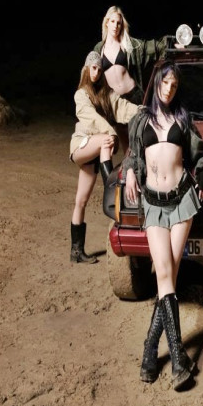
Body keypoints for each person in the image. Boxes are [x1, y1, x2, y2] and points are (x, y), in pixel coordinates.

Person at [123, 61, 203, 391]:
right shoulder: (141, 119)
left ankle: (154, 356)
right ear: (157, 84)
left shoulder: (183, 118)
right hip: (152, 203)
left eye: (174, 85)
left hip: (181, 201)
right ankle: (171, 356)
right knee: (165, 274)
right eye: (165, 83)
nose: (169, 89)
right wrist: (131, 171)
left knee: (169, 274)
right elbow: (132, 155)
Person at [69, 51, 139, 264]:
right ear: (86, 68)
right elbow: (91, 119)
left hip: (96, 152)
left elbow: (122, 107)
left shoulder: (106, 94)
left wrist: (143, 111)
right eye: (93, 68)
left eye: (99, 69)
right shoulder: (80, 95)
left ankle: (76, 252)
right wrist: (111, 133)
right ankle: (111, 185)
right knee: (106, 140)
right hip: (82, 146)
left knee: (81, 201)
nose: (96, 72)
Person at [93, 6, 166, 105]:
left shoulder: (129, 44)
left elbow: (155, 46)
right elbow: (90, 74)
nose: (115, 26)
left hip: (133, 96)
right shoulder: (99, 48)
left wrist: (174, 43)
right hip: (113, 100)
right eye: (112, 21)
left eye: (118, 23)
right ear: (107, 22)